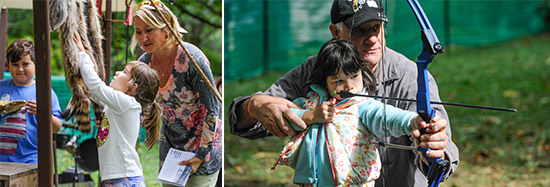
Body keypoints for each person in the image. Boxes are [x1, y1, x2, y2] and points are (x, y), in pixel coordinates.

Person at [228, 0, 459, 186]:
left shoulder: (411, 76)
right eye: (359, 30)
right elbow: (245, 120)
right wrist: (255, 105)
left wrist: (435, 147)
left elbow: (443, 149)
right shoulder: (315, 69)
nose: (371, 39)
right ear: (335, 32)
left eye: (376, 28)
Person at [272, 38, 446, 186]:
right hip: (310, 181)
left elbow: (387, 117)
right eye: (338, 80)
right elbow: (289, 117)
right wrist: (310, 116)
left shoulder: (363, 105)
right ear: (324, 81)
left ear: (363, 73)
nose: (349, 86)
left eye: (354, 76)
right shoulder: (313, 102)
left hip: (351, 182)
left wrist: (412, 121)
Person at [131, 0, 222, 186]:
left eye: (149, 30)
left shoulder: (191, 58)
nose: (143, 38)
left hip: (203, 148)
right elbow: (139, 106)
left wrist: (201, 156)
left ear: (167, 29)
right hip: (171, 150)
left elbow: (213, 110)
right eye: (139, 32)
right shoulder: (144, 63)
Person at [74, 32, 162, 186]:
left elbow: (95, 86)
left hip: (124, 179)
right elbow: (93, 92)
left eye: (124, 73)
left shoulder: (127, 104)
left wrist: (83, 55)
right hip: (117, 178)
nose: (117, 73)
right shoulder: (120, 105)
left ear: (132, 87)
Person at [0, 39, 62, 164]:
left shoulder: (45, 92)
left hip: (30, 160)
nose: (20, 69)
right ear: (8, 66)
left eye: (25, 64)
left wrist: (42, 113)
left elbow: (56, 128)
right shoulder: (1, 87)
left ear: (36, 64)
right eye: (15, 64)